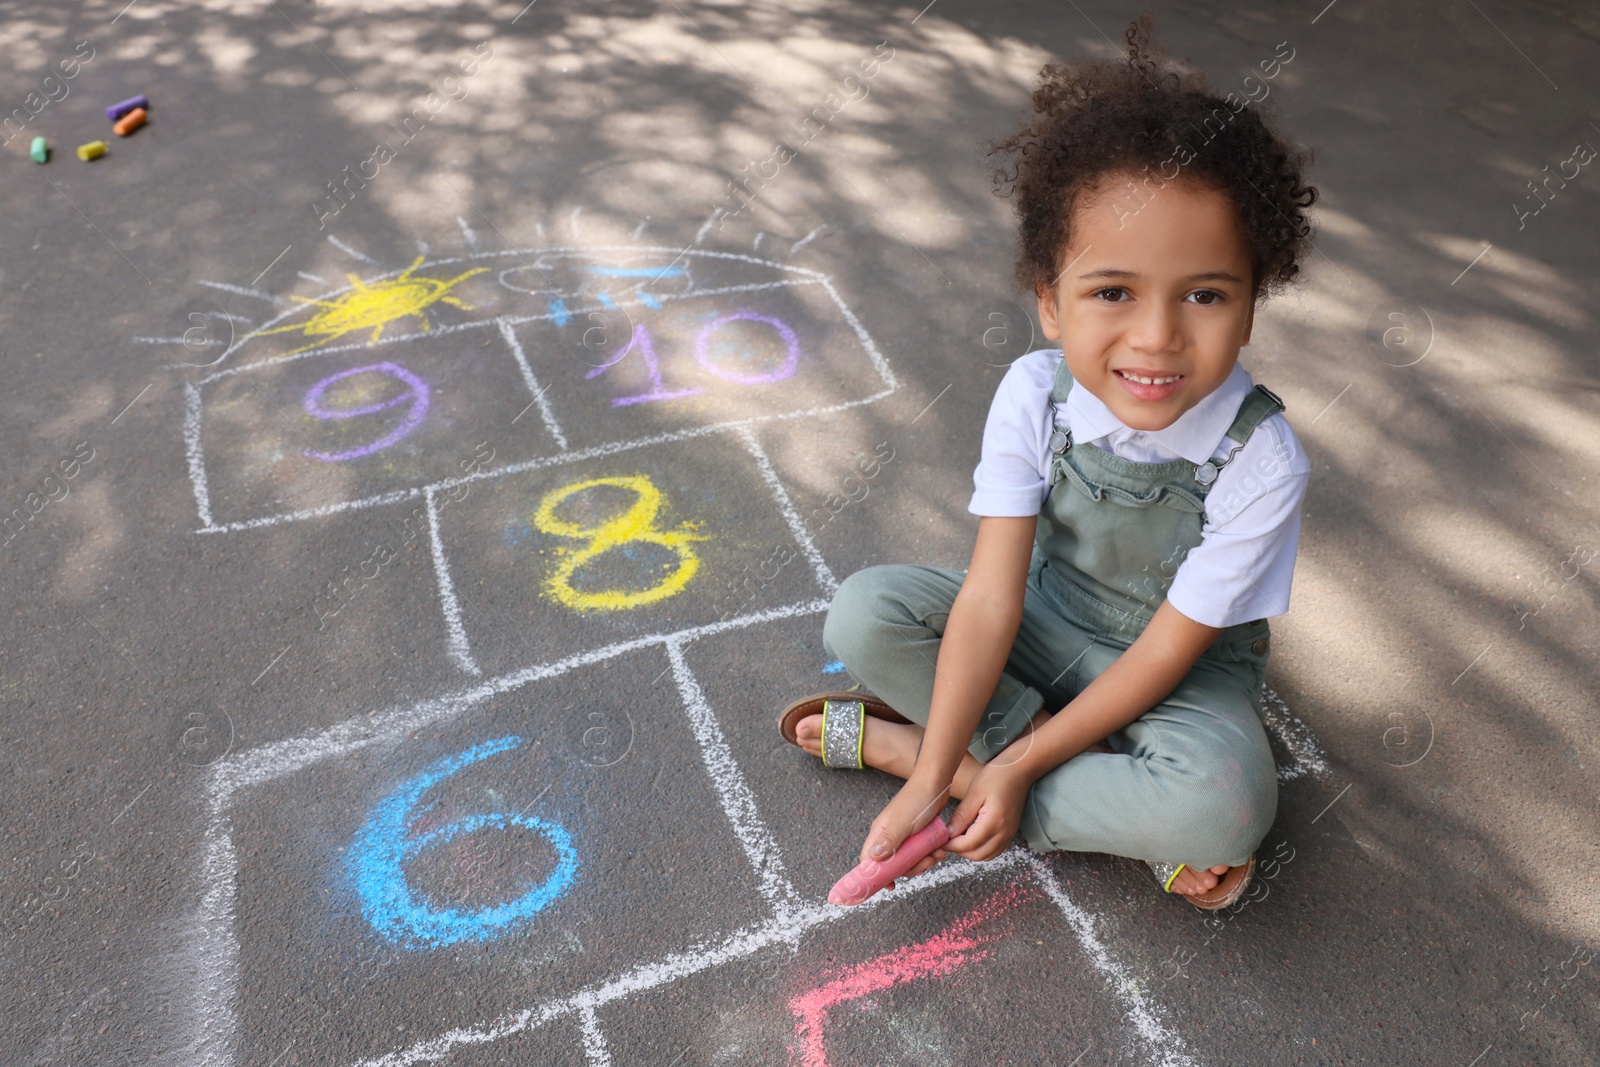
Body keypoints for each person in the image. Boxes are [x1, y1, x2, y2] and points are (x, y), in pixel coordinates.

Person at [778, 17, 1316, 909]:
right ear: (1051, 304)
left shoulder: (1261, 457)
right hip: (1043, 622)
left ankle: (943, 759)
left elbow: (1162, 657)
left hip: (1171, 674)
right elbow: (991, 596)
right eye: (1113, 291)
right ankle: (995, 776)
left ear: (1252, 307)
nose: (1156, 336)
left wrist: (999, 761)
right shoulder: (1037, 393)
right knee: (866, 613)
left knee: (1224, 809)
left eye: (1206, 295)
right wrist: (938, 778)